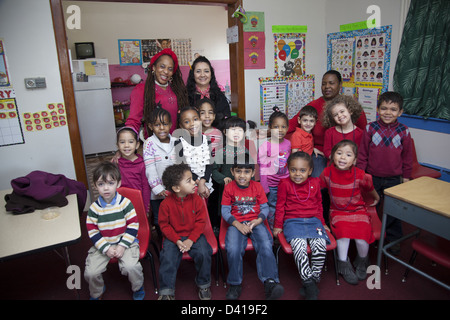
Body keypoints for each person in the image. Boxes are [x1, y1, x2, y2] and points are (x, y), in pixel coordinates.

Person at [356, 91, 413, 255]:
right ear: (378, 109)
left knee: (394, 210)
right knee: (370, 208)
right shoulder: (370, 128)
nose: (388, 112)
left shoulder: (404, 131)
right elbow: (362, 155)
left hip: (394, 179)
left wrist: (406, 177)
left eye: (393, 109)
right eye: (384, 108)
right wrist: (360, 174)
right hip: (372, 177)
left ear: (400, 112)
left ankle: (393, 239)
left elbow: (407, 157)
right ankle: (370, 235)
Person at [221, 154, 284, 300]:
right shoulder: (229, 188)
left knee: (266, 245)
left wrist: (257, 221)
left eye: (247, 172)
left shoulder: (257, 186)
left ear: (253, 173)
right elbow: (224, 211)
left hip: (255, 222)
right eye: (238, 171)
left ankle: (270, 282)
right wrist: (237, 224)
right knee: (233, 249)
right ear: (232, 172)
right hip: (236, 224)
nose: (242, 175)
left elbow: (265, 208)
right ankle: (235, 283)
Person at [319, 140, 380, 285]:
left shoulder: (360, 174)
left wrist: (376, 197)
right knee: (343, 234)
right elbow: (317, 190)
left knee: (361, 237)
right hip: (337, 212)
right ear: (333, 156)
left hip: (358, 210)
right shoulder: (326, 173)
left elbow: (370, 188)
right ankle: (343, 264)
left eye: (348, 155)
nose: (342, 157)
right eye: (339, 153)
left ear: (355, 160)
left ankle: (362, 260)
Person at [287, 70, 367, 177]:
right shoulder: (314, 105)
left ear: (340, 85)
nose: (327, 86)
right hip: (320, 153)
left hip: (348, 155)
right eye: (324, 84)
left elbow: (363, 133)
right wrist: (266, 133)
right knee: (319, 177)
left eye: (331, 83)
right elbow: (290, 124)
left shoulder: (350, 106)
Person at [273, 151, 329, 300]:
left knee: (320, 247)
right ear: (288, 169)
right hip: (292, 222)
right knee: (299, 247)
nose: (297, 174)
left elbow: (319, 205)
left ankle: (312, 280)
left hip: (313, 221)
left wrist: (323, 223)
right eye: (293, 170)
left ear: (310, 171)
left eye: (302, 170)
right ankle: (308, 283)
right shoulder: (284, 184)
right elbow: (280, 206)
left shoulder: (315, 183)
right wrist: (278, 225)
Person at [84, 162, 145, 300]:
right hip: (103, 244)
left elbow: (133, 225)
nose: (106, 188)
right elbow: (93, 231)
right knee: (90, 273)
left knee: (131, 267)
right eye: (101, 184)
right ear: (95, 186)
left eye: (110, 183)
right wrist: (105, 248)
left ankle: (138, 287)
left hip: (126, 243)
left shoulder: (125, 203)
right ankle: (97, 291)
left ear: (118, 184)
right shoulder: (94, 209)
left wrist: (122, 245)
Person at [158, 163, 213, 300]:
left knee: (204, 253)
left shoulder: (197, 199)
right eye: (189, 181)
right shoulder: (165, 204)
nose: (194, 182)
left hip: (194, 234)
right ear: (176, 188)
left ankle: (203, 284)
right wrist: (176, 240)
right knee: (167, 257)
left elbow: (201, 222)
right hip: (173, 237)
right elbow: (164, 226)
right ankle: (166, 291)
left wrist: (191, 239)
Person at [125, 48, 189, 138]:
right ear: (154, 67)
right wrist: (126, 138)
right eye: (162, 66)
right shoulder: (141, 89)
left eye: (170, 69)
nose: (166, 71)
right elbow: (134, 120)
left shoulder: (177, 89)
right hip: (155, 146)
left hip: (177, 142)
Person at [211, 116, 255, 230]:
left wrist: (253, 187)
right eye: (233, 130)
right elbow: (214, 170)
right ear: (225, 132)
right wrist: (223, 178)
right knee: (226, 211)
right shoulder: (222, 152)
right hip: (227, 189)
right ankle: (222, 231)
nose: (236, 133)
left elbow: (250, 170)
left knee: (241, 211)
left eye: (240, 130)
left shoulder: (245, 150)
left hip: (242, 189)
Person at [143, 107, 176, 229]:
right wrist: (157, 187)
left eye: (165, 124)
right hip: (157, 193)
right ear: (151, 126)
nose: (162, 128)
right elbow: (150, 167)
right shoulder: (149, 143)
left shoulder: (176, 141)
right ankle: (162, 240)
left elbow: (180, 165)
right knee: (159, 220)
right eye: (157, 125)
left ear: (170, 125)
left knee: (174, 217)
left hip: (174, 191)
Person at [258, 107, 291, 230]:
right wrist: (264, 187)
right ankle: (272, 231)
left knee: (284, 206)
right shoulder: (265, 146)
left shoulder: (288, 143)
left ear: (287, 128)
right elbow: (262, 168)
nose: (280, 130)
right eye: (276, 127)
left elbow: (289, 163)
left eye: (283, 127)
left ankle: (283, 227)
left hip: (285, 182)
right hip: (271, 185)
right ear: (270, 128)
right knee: (272, 207)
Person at [174, 106, 213, 199]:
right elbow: (183, 166)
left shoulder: (207, 139)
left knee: (204, 209)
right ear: (181, 125)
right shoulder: (178, 143)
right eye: (187, 122)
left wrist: (203, 182)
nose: (192, 124)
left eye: (195, 119)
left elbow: (210, 164)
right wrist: (198, 183)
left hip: (206, 183)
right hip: (189, 184)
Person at [186, 55, 231, 126]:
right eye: (198, 71)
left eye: (206, 71)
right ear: (193, 74)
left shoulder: (219, 95)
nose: (202, 75)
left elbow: (226, 119)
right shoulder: (186, 95)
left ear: (211, 74)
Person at [116, 126, 151, 213]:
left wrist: (145, 207)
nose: (126, 145)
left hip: (138, 203)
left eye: (131, 142)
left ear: (137, 145)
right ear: (117, 145)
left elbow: (146, 187)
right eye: (122, 142)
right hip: (121, 204)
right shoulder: (116, 164)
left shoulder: (142, 164)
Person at [322, 95, 364, 160]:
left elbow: (361, 153)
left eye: (342, 111)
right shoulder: (329, 132)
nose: (339, 115)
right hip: (333, 166)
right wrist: (338, 160)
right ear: (332, 118)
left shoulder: (360, 133)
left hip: (352, 167)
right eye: (335, 115)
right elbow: (327, 151)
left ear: (350, 111)